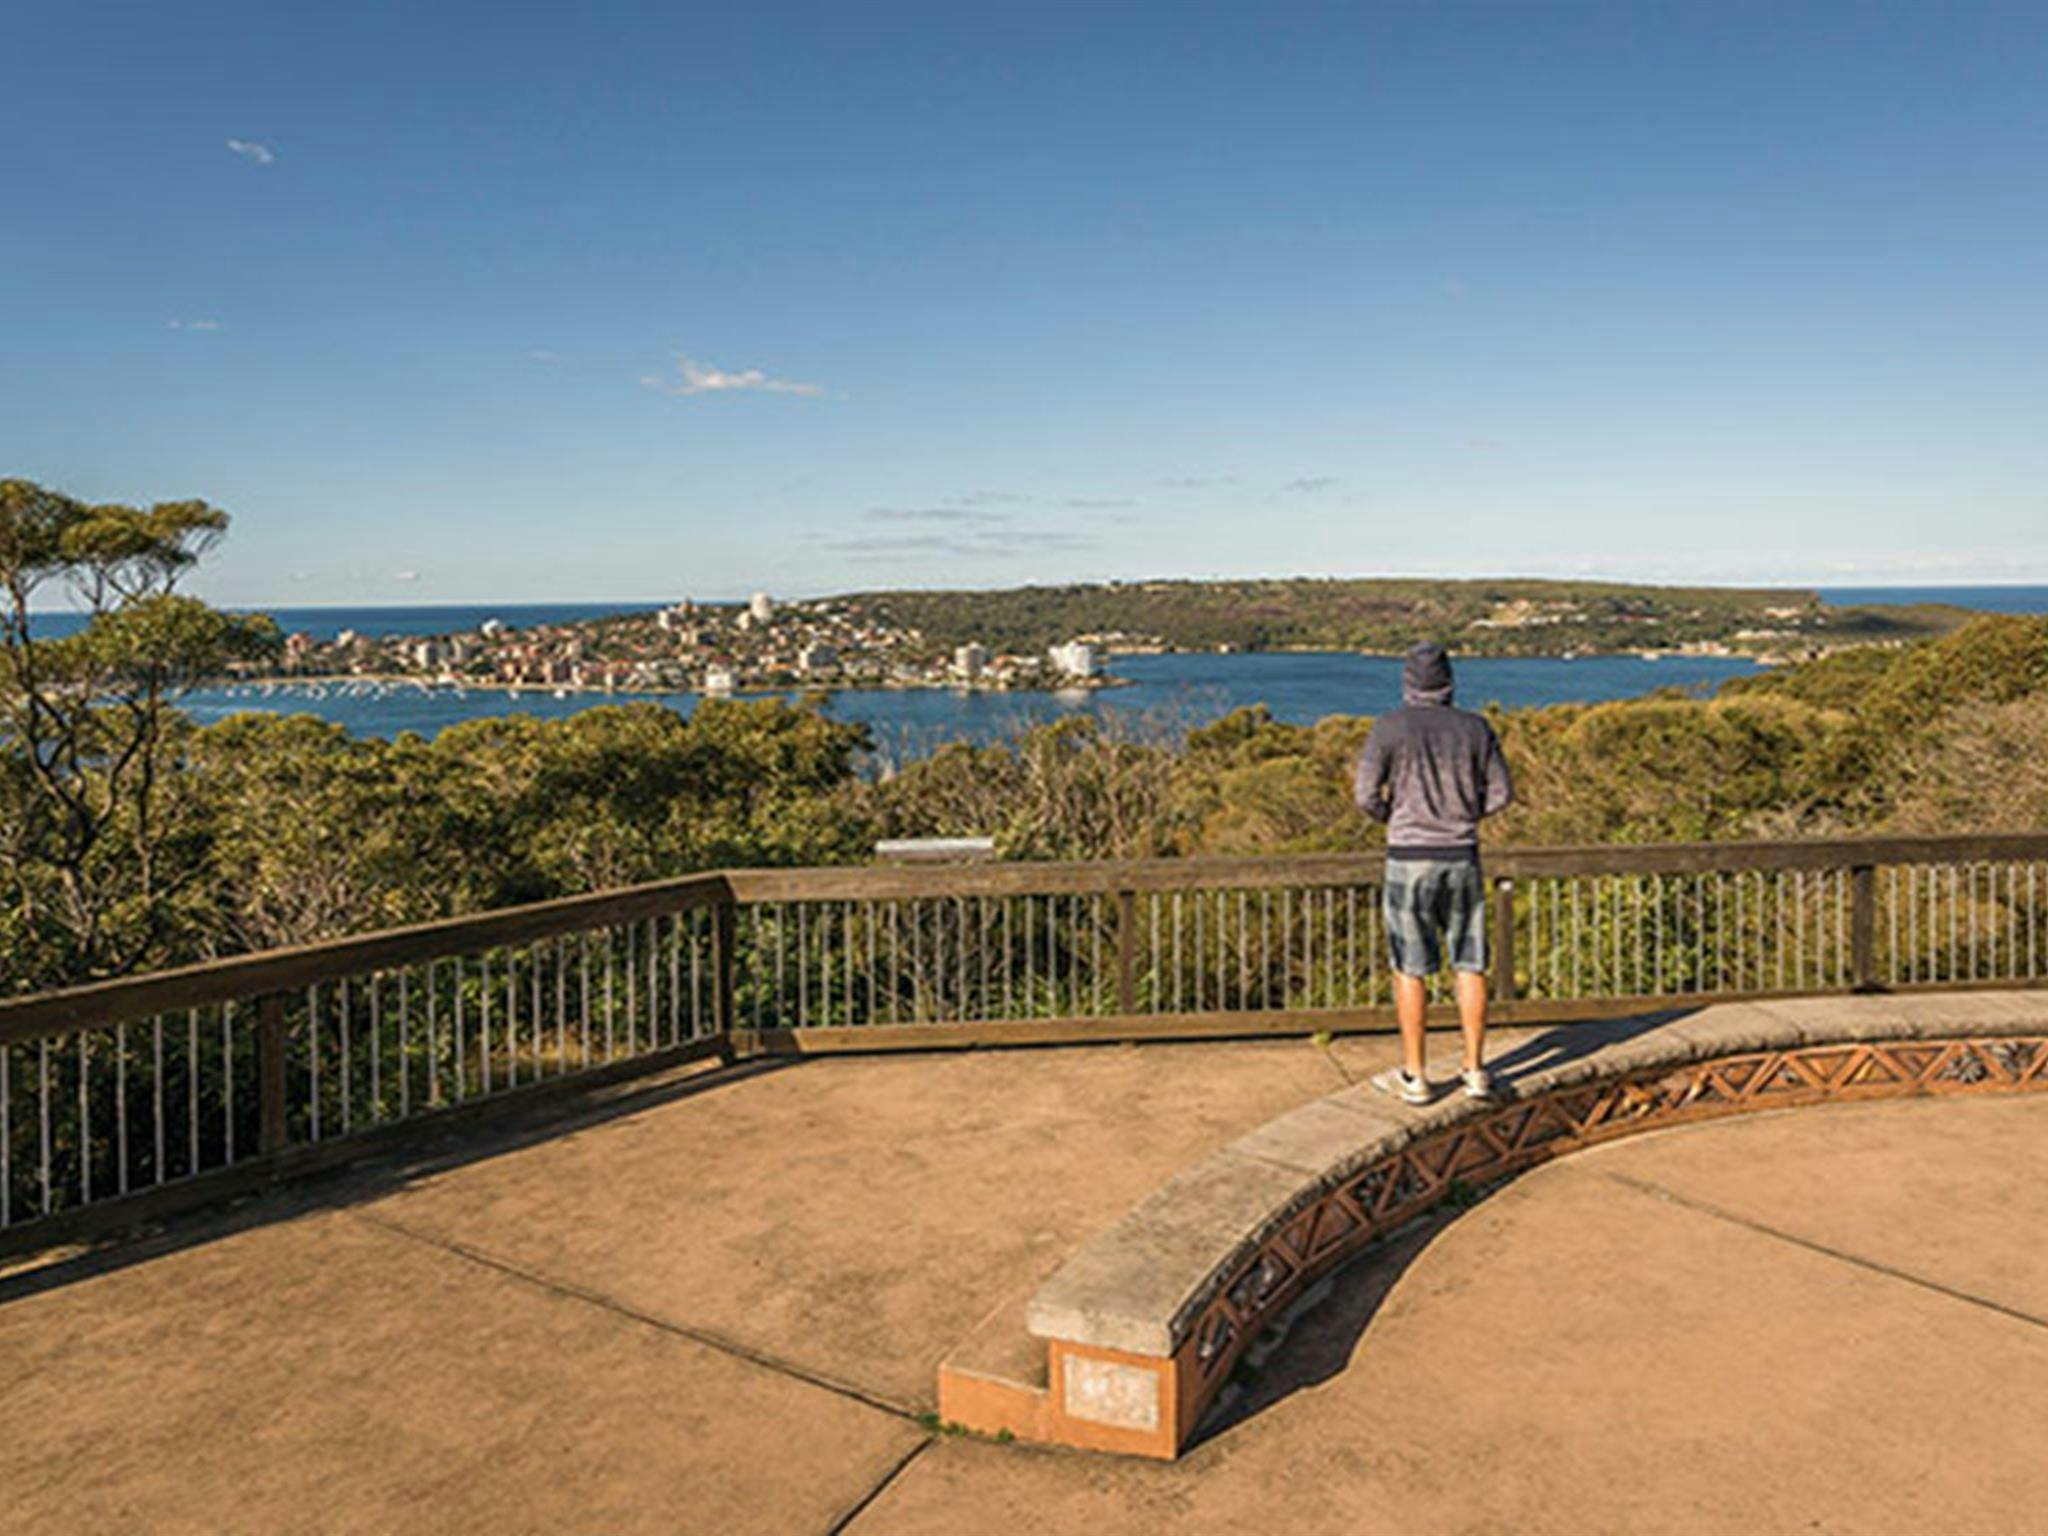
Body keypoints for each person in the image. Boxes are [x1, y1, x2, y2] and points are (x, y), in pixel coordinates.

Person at [1353, 642, 1514, 1105]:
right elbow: (1502, 793)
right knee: (1470, 963)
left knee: (1410, 968)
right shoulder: (1476, 729)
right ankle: (1475, 1070)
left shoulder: (1388, 728)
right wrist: (1463, 815)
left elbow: (1365, 794)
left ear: (1408, 682)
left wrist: (1395, 817)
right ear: (1449, 683)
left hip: (1408, 857)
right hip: (1461, 855)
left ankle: (1416, 1075)